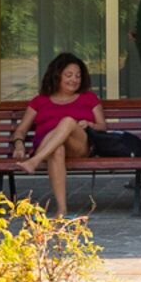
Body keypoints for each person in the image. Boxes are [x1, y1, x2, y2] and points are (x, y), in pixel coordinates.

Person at [15, 52, 118, 199]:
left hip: (78, 145)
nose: (74, 80)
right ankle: (61, 210)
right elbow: (21, 130)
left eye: (78, 76)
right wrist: (19, 145)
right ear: (56, 76)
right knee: (57, 148)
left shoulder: (89, 98)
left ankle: (34, 161)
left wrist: (89, 124)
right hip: (46, 144)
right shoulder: (39, 101)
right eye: (69, 75)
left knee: (68, 121)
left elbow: (102, 126)